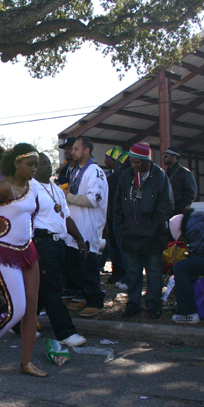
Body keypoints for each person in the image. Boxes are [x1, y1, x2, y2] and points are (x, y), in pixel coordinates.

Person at [0, 143, 47, 377]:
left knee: (32, 308)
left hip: (28, 250)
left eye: (36, 165)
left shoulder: (32, 187)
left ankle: (26, 363)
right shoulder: (2, 187)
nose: (34, 169)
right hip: (5, 251)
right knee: (18, 309)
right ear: (17, 162)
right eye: (30, 164)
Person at [11, 153, 87, 347]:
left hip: (58, 243)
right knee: (52, 288)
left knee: (43, 288)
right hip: (40, 242)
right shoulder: (29, 188)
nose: (46, 166)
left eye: (47, 163)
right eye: (40, 164)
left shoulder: (55, 188)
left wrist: (79, 238)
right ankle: (66, 332)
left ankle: (18, 324)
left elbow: (65, 216)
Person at [113, 142, 174, 319]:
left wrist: (152, 227)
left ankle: (153, 305)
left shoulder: (159, 176)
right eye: (131, 161)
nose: (134, 165)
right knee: (133, 273)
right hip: (130, 234)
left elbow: (166, 205)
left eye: (137, 162)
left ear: (146, 161)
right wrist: (123, 226)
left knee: (154, 273)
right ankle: (133, 305)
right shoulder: (126, 176)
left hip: (153, 235)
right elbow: (117, 203)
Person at [64, 136, 108, 317]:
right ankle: (84, 296)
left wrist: (68, 197)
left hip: (88, 227)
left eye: (76, 149)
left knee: (88, 266)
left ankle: (96, 301)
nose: (72, 152)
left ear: (86, 150)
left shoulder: (95, 171)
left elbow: (93, 199)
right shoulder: (77, 170)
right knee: (77, 266)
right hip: (76, 226)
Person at [104, 147, 128, 286]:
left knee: (120, 248)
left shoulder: (117, 177)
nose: (105, 161)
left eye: (107, 158)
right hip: (114, 216)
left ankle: (125, 276)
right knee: (116, 247)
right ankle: (121, 276)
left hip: (117, 217)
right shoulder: (112, 175)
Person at [161, 146, 197, 216]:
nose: (163, 158)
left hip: (179, 213)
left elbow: (191, 193)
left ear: (175, 157)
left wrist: (179, 208)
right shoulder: (165, 173)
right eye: (163, 155)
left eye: (166, 156)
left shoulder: (185, 172)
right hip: (166, 211)